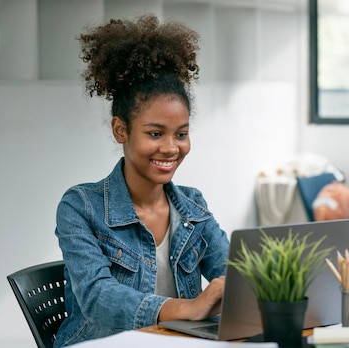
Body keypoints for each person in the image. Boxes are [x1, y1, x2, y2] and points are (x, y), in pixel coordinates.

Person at [53, 15, 229, 347]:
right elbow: (97, 297)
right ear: (121, 130)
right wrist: (187, 308)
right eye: (154, 133)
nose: (170, 148)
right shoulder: (81, 206)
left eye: (181, 134)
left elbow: (231, 270)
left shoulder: (193, 206)